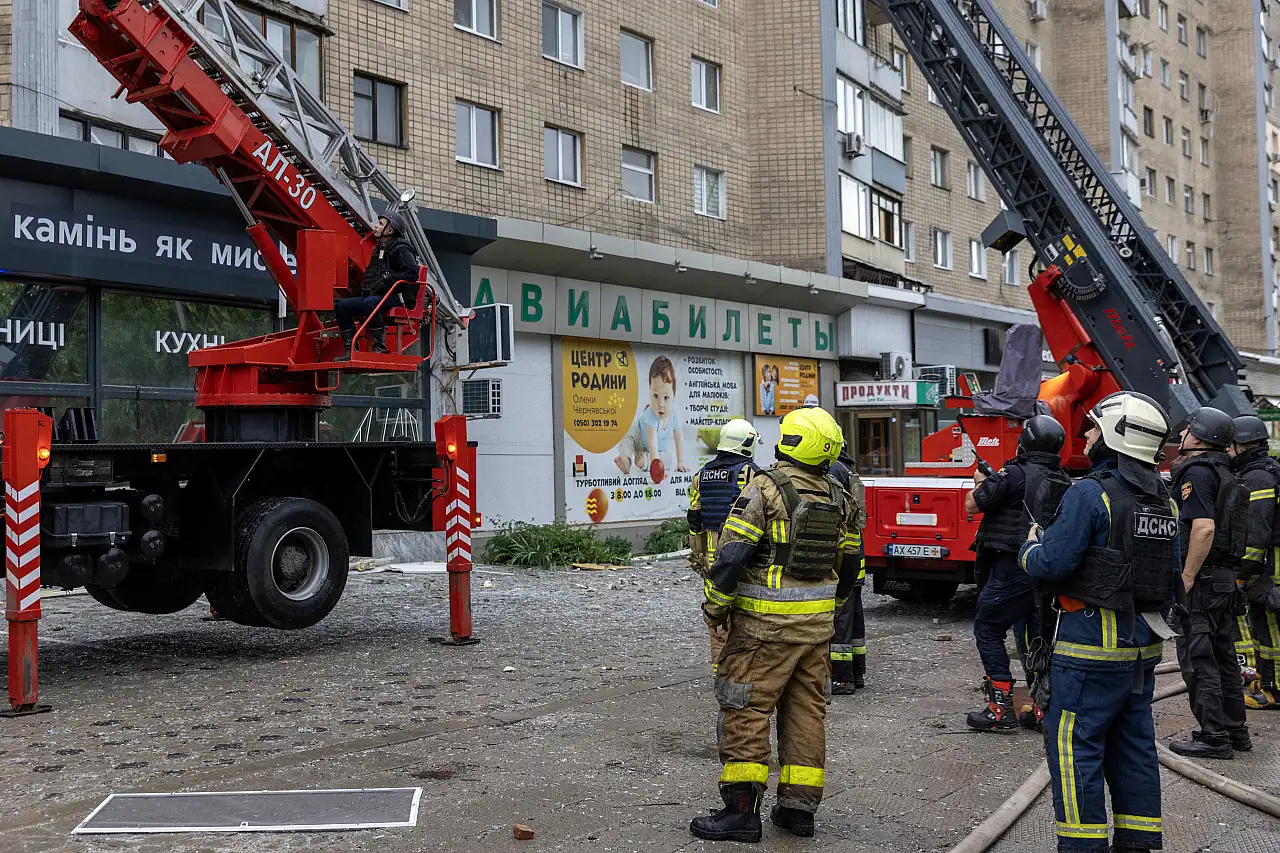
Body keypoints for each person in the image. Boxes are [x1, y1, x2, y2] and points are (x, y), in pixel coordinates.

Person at [1019, 391, 1179, 853]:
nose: (1086, 435)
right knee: (1133, 747)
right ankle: (1139, 842)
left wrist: (1031, 547)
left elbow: (1052, 563)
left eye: (1092, 427)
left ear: (1115, 434)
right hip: (1142, 649)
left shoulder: (1092, 493)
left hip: (1088, 649)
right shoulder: (1162, 499)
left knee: (1074, 750)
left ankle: (1082, 846)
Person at [690, 406, 860, 843]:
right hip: (816, 633)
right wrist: (828, 607)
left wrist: (714, 606)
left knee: (745, 709)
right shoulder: (838, 494)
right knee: (806, 715)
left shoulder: (764, 489)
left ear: (789, 441)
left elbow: (731, 557)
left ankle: (741, 813)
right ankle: (798, 810)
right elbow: (852, 562)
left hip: (764, 631)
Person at [965, 415, 1071, 731]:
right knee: (1037, 637)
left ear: (1024, 442)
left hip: (1011, 566)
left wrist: (980, 482)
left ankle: (999, 709)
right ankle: (1040, 709)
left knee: (987, 626)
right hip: (1046, 569)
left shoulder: (1013, 473)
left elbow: (973, 505)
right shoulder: (1064, 479)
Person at [1171, 406, 1252, 758]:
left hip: (1203, 580)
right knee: (1223, 658)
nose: (1181, 435)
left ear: (1200, 436)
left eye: (1187, 429)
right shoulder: (1226, 472)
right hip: (1222, 580)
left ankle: (1213, 737)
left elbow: (1203, 528)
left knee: (1198, 659)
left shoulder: (1198, 472)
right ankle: (1236, 732)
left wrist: (1186, 578)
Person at [688, 419, 763, 673]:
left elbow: (694, 518)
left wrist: (698, 555)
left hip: (712, 560)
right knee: (748, 617)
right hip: (745, 557)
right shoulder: (751, 473)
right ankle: (746, 672)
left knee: (717, 619)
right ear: (747, 444)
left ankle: (721, 673)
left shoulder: (701, 475)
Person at [1229, 415, 1280, 710]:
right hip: (1269, 562)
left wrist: (1243, 571)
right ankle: (1268, 680)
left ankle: (1275, 691)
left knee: (1271, 629)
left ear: (1242, 444)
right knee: (1264, 626)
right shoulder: (1267, 470)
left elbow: (1255, 531)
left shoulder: (1257, 478)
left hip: (1270, 565)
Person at [334, 211, 419, 361]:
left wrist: (391, 278)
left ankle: (379, 347)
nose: (376, 226)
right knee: (342, 306)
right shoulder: (378, 248)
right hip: (378, 295)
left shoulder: (402, 248)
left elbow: (413, 274)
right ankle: (351, 349)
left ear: (390, 230)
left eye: (381, 224)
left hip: (398, 297)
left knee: (370, 303)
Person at [829, 448, 868, 694]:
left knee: (841, 620)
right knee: (854, 621)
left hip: (842, 557)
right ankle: (856, 673)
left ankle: (841, 678)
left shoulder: (832, 470)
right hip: (856, 559)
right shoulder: (848, 469)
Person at [614, 356, 690, 477]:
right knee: (627, 438)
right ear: (649, 390)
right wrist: (657, 471)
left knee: (669, 459)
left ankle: (646, 462)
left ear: (674, 394)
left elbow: (679, 437)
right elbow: (652, 444)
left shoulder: (674, 412)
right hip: (639, 437)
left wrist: (680, 461)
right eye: (655, 396)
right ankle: (626, 460)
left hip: (657, 450)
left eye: (666, 398)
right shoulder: (651, 415)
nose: (660, 404)